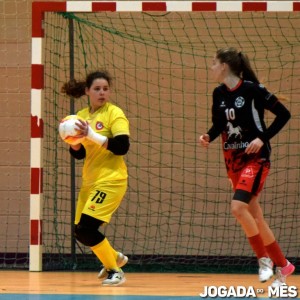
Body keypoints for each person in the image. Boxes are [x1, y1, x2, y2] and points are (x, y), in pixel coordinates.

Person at [199, 47, 295, 287]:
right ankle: (284, 267)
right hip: (232, 160)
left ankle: (264, 260)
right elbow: (219, 124)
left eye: (213, 62)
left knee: (238, 207)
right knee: (255, 216)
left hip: (256, 158)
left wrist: (262, 137)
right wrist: (208, 137)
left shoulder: (252, 90)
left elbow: (284, 114)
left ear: (224, 66)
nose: (210, 67)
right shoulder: (218, 93)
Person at [61, 70, 130, 286]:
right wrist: (73, 143)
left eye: (106, 89)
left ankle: (115, 270)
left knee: (86, 229)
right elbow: (80, 154)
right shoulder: (80, 117)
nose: (102, 93)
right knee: (80, 232)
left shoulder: (114, 113)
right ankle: (115, 257)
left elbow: (122, 147)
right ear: (87, 91)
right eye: (97, 89)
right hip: (90, 182)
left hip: (112, 180)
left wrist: (91, 135)